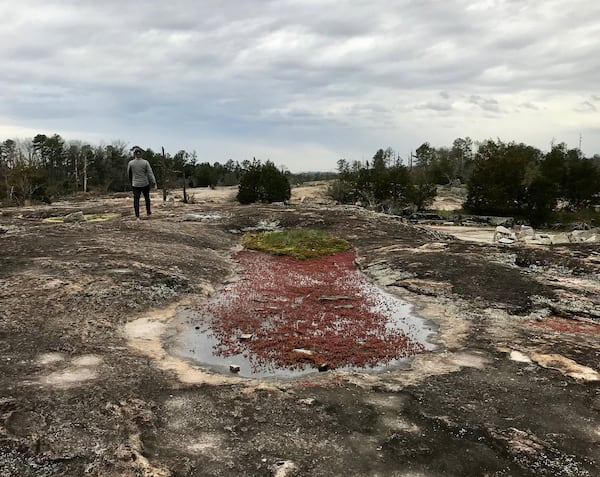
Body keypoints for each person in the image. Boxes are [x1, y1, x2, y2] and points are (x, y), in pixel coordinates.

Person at [127, 146, 157, 220]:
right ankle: (148, 213)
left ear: (134, 154)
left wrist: (131, 182)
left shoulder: (131, 163)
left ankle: (137, 216)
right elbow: (150, 173)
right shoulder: (145, 162)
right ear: (141, 154)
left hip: (135, 184)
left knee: (136, 200)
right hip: (145, 183)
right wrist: (154, 182)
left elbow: (129, 174)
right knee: (147, 198)